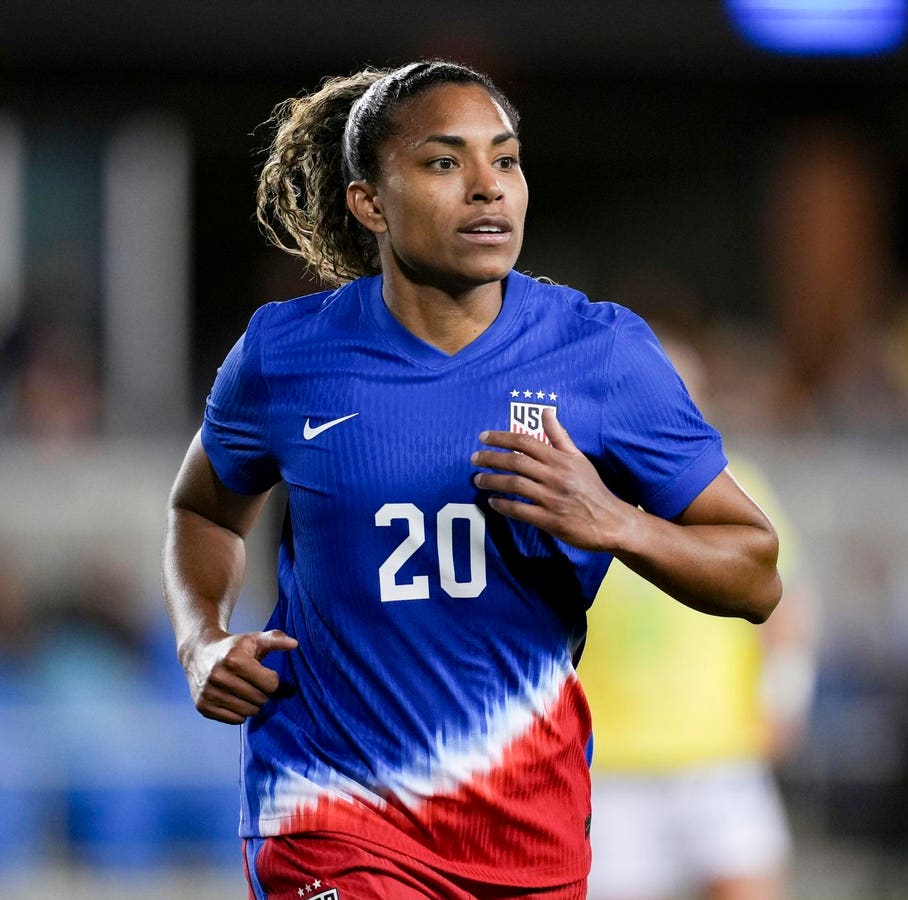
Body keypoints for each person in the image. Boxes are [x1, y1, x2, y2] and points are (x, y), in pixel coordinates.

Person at [163, 60, 782, 900]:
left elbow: (756, 574)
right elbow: (203, 510)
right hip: (327, 811)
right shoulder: (285, 354)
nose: (488, 186)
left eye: (507, 159)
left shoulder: (601, 356)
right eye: (445, 162)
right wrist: (201, 639)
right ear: (370, 202)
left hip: (525, 832)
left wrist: (615, 520)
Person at [578, 333, 819, 900]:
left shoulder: (738, 491)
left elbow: (786, 606)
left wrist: (784, 698)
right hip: (614, 762)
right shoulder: (581, 496)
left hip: (718, 748)